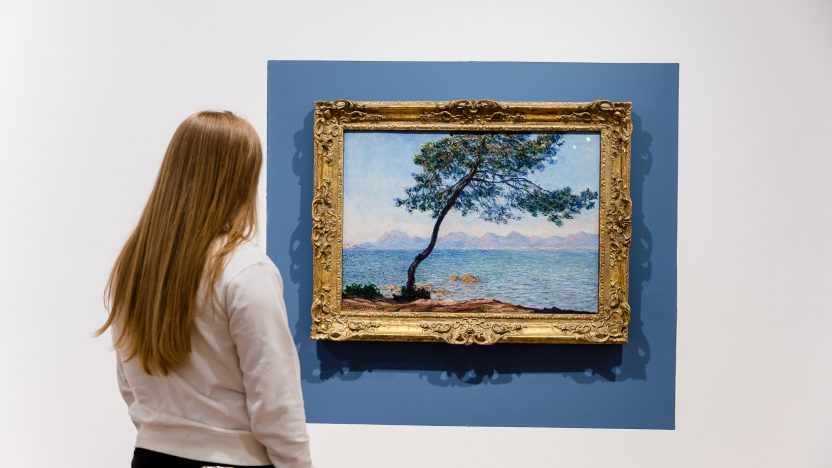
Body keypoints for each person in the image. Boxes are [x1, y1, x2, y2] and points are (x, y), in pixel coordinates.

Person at [96, 111, 312, 467]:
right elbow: (276, 404)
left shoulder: (135, 264)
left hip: (151, 456)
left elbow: (129, 384)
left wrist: (168, 434)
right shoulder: (246, 269)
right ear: (240, 181)